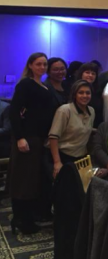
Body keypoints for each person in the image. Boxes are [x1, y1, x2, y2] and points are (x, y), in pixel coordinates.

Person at [9, 52, 54, 234]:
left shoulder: (43, 86)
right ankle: (22, 220)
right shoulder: (26, 84)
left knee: (32, 180)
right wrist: (20, 137)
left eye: (44, 64)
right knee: (23, 181)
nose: (42, 67)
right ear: (30, 65)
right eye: (38, 64)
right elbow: (14, 112)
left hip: (38, 140)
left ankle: (28, 216)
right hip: (26, 139)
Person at [47, 80, 95, 178]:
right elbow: (53, 137)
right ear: (74, 95)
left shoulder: (91, 111)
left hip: (81, 157)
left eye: (88, 93)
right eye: (81, 92)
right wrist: (57, 162)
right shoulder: (65, 110)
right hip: (63, 156)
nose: (85, 96)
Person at [76, 62, 101, 128]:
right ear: (81, 74)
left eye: (93, 74)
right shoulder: (74, 89)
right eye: (87, 72)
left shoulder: (98, 91)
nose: (90, 75)